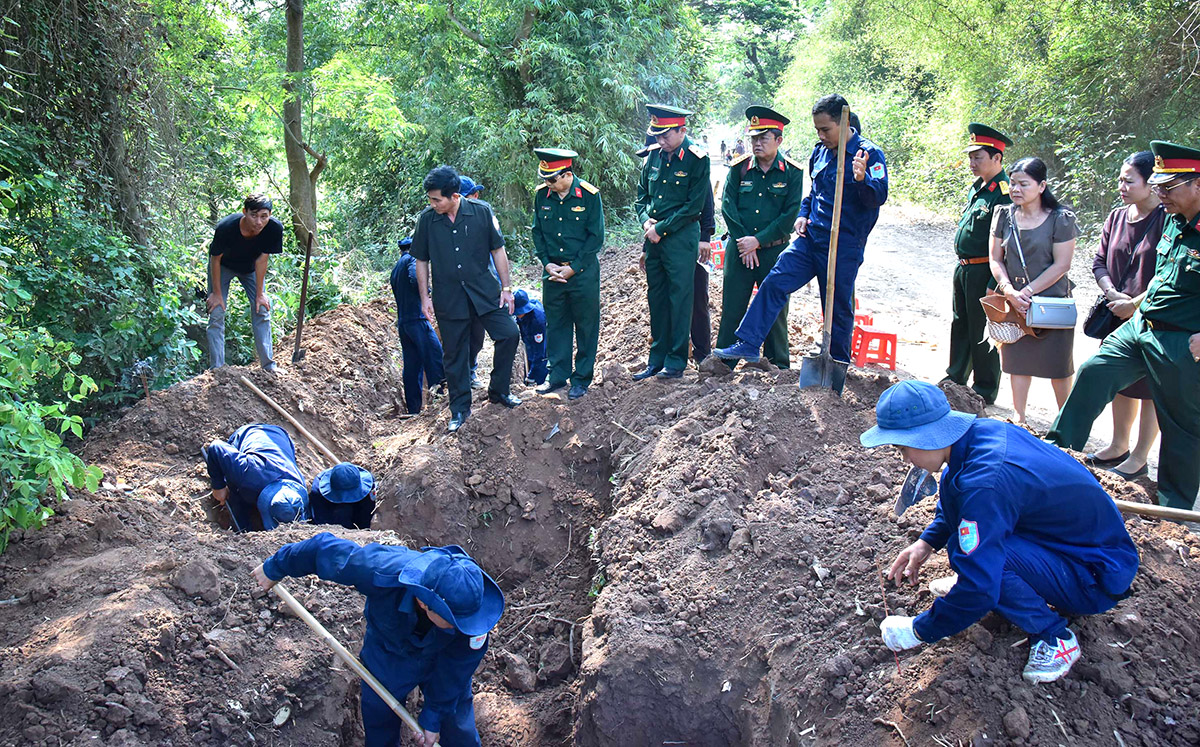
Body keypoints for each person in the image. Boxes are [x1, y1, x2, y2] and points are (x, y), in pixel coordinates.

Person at [860, 381, 1138, 684]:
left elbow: (980, 587)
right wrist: (927, 542)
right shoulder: (979, 437)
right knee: (969, 551)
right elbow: (961, 495)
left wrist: (917, 630)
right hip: (1076, 550)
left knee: (978, 564)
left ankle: (1054, 637)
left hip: (1095, 577)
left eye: (903, 448)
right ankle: (1006, 584)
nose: (904, 459)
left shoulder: (985, 481)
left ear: (926, 436)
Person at [1049, 140, 1200, 510]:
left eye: (1169, 187)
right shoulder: (1174, 221)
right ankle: (1053, 456)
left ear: (1197, 184)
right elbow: (1163, 279)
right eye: (1158, 186)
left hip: (1180, 342)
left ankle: (1173, 510)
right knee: (1093, 373)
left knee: (1180, 426)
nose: (1161, 194)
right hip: (1141, 326)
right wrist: (1134, 304)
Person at [252, 533, 504, 747]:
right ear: (424, 602)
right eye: (453, 620)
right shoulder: (381, 570)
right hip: (388, 655)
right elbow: (322, 549)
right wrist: (275, 567)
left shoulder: (474, 613)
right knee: (380, 720)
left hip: (444, 658)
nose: (464, 626)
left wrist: (433, 716)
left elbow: (457, 668)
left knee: (458, 726)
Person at [715, 94, 888, 369]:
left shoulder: (868, 154)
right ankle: (748, 341)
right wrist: (803, 215)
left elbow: (878, 197)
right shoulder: (820, 152)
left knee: (837, 308)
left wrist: (861, 179)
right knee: (775, 281)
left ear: (843, 123)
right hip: (811, 239)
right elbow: (814, 194)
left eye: (826, 129)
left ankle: (835, 366)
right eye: (817, 130)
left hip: (843, 244)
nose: (821, 136)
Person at [411, 166, 521, 433]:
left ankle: (499, 390)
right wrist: (425, 297)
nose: (432, 204)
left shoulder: (481, 212)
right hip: (449, 297)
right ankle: (459, 409)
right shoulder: (427, 220)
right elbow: (421, 261)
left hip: (485, 293)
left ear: (455, 196)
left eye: (437, 199)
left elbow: (498, 250)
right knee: (455, 353)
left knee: (509, 334)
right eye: (430, 199)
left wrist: (506, 288)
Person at [1081, 151, 1166, 479]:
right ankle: (1119, 445)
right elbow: (1099, 261)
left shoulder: (1167, 219)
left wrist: (1136, 304)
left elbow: (1167, 275)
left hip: (1150, 316)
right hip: (1116, 312)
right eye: (1120, 180)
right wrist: (1112, 294)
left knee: (1149, 388)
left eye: (1129, 181)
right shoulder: (1117, 216)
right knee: (1119, 383)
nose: (1122, 186)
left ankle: (1140, 456)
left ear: (1151, 183)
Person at [988, 157, 1079, 424]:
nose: (1015, 189)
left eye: (1023, 184)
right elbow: (995, 259)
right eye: (1013, 183)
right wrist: (1008, 291)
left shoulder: (1061, 219)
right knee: (1017, 361)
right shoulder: (1003, 215)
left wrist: (1026, 291)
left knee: (1059, 365)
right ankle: (1019, 418)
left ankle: (1065, 422)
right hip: (1013, 301)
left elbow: (1062, 264)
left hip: (1051, 302)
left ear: (1041, 186)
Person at [715, 106, 805, 368]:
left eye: (763, 138)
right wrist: (745, 242)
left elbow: (789, 216)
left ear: (779, 140)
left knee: (775, 309)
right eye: (753, 138)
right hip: (739, 249)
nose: (756, 143)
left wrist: (758, 241)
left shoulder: (792, 172)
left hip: (774, 252)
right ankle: (724, 364)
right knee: (733, 306)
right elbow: (728, 206)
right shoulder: (739, 168)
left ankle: (777, 366)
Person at [633, 104, 711, 381]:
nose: (661, 141)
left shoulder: (696, 159)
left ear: (682, 131)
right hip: (653, 238)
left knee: (680, 299)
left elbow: (694, 207)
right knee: (657, 298)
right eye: (657, 135)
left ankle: (676, 361)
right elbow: (641, 198)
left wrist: (661, 229)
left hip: (680, 238)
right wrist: (646, 223)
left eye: (665, 135)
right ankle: (656, 359)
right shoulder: (653, 156)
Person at [944, 124, 1013, 405]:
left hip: (985, 269)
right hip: (964, 267)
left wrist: (996, 283)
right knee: (961, 323)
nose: (972, 163)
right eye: (971, 157)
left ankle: (985, 387)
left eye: (978, 158)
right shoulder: (979, 188)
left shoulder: (1004, 193)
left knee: (983, 329)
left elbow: (1008, 243)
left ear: (997, 158)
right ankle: (956, 377)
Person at [530, 148, 604, 400]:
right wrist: (547, 264)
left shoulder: (589, 196)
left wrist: (573, 268)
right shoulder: (542, 195)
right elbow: (537, 232)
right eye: (544, 179)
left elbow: (596, 237)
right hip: (553, 273)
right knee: (556, 324)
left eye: (552, 179)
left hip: (582, 273)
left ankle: (581, 378)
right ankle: (557, 376)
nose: (548, 184)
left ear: (568, 175)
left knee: (586, 326)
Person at [206, 194, 283, 372]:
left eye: (264, 216)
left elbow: (262, 260)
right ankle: (218, 369)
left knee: (262, 308)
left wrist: (260, 294)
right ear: (244, 212)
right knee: (216, 311)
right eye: (253, 215)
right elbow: (215, 259)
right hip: (224, 267)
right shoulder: (226, 227)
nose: (259, 222)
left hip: (250, 269)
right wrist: (216, 294)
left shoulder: (274, 229)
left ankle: (268, 366)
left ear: (270, 215)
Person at [202, 423, 309, 531]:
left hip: (281, 436)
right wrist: (218, 487)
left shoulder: (298, 489)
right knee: (238, 496)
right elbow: (216, 447)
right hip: (249, 434)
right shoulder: (247, 473)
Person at [390, 237, 446, 414]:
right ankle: (439, 400)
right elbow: (415, 277)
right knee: (435, 355)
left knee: (412, 365)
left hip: (404, 323)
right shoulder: (412, 260)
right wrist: (426, 293)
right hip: (417, 319)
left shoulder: (396, 268)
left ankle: (413, 409)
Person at [459, 176, 502, 390]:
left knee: (479, 334)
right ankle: (462, 374)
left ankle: (473, 370)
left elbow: (497, 251)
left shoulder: (484, 216)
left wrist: (503, 286)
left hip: (484, 286)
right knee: (462, 334)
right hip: (459, 289)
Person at [309, 462, 376, 530]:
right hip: (332, 509)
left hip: (359, 508)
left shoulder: (370, 484)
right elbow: (321, 518)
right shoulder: (318, 489)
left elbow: (369, 510)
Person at [692, 185, 717, 363]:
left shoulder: (698, 169)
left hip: (695, 243)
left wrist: (705, 237)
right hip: (665, 242)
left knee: (698, 298)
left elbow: (707, 204)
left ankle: (702, 354)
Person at [511, 289, 548, 386]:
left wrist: (532, 375)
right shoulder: (520, 313)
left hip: (538, 337)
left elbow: (540, 352)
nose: (518, 315)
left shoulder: (538, 321)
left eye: (519, 312)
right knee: (529, 355)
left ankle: (539, 381)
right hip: (528, 337)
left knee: (540, 358)